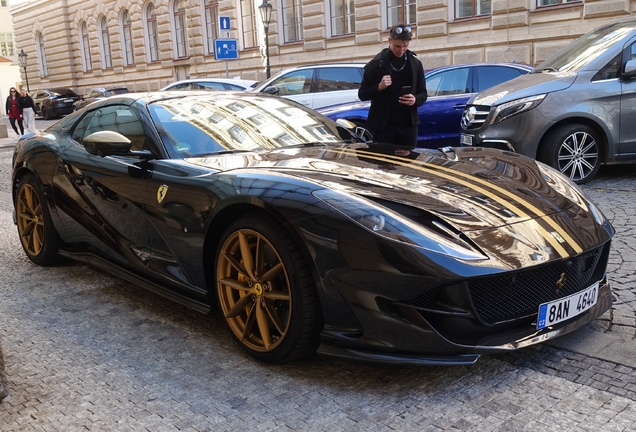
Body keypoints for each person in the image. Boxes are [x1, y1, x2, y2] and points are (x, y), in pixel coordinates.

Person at [358, 24, 427, 148]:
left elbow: (423, 93)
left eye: (405, 46)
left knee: (407, 166)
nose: (401, 50)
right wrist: (379, 87)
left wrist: (415, 100)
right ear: (389, 41)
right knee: (384, 165)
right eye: (397, 46)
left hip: (409, 126)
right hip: (383, 128)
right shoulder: (375, 64)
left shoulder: (415, 64)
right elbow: (362, 94)